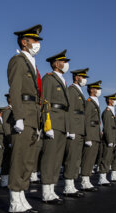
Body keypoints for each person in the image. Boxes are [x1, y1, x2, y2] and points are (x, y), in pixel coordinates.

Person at [7, 24, 43, 213]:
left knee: (29, 160)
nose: (37, 44)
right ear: (24, 41)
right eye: (35, 40)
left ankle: (21, 196)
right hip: (24, 114)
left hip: (34, 115)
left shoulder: (31, 63)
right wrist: (18, 116)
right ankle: (14, 200)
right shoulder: (18, 61)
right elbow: (15, 90)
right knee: (19, 158)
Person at [41, 49, 70, 204]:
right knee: (49, 157)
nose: (66, 64)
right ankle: (46, 191)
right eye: (64, 62)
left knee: (58, 157)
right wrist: (47, 124)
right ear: (55, 64)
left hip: (62, 122)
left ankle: (52, 189)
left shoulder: (63, 81)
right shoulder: (49, 79)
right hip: (53, 121)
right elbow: (45, 102)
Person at [63, 68, 89, 198]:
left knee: (77, 158)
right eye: (82, 77)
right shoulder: (71, 91)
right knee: (71, 157)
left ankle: (72, 183)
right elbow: (69, 110)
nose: (84, 79)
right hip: (75, 128)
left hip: (80, 129)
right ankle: (68, 185)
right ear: (76, 77)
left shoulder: (79, 91)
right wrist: (70, 129)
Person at [80, 80, 102, 191]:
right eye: (97, 89)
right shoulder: (89, 102)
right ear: (92, 90)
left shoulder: (95, 102)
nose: (99, 91)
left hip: (95, 134)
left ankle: (87, 179)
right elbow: (86, 120)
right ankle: (84, 181)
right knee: (87, 158)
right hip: (91, 134)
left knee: (92, 158)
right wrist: (87, 137)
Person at [99, 93, 116, 186]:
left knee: (109, 157)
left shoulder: (111, 112)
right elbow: (107, 127)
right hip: (108, 139)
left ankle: (104, 176)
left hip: (112, 139)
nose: (115, 101)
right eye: (113, 99)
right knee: (106, 158)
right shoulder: (107, 112)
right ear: (109, 101)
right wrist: (110, 140)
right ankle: (102, 177)